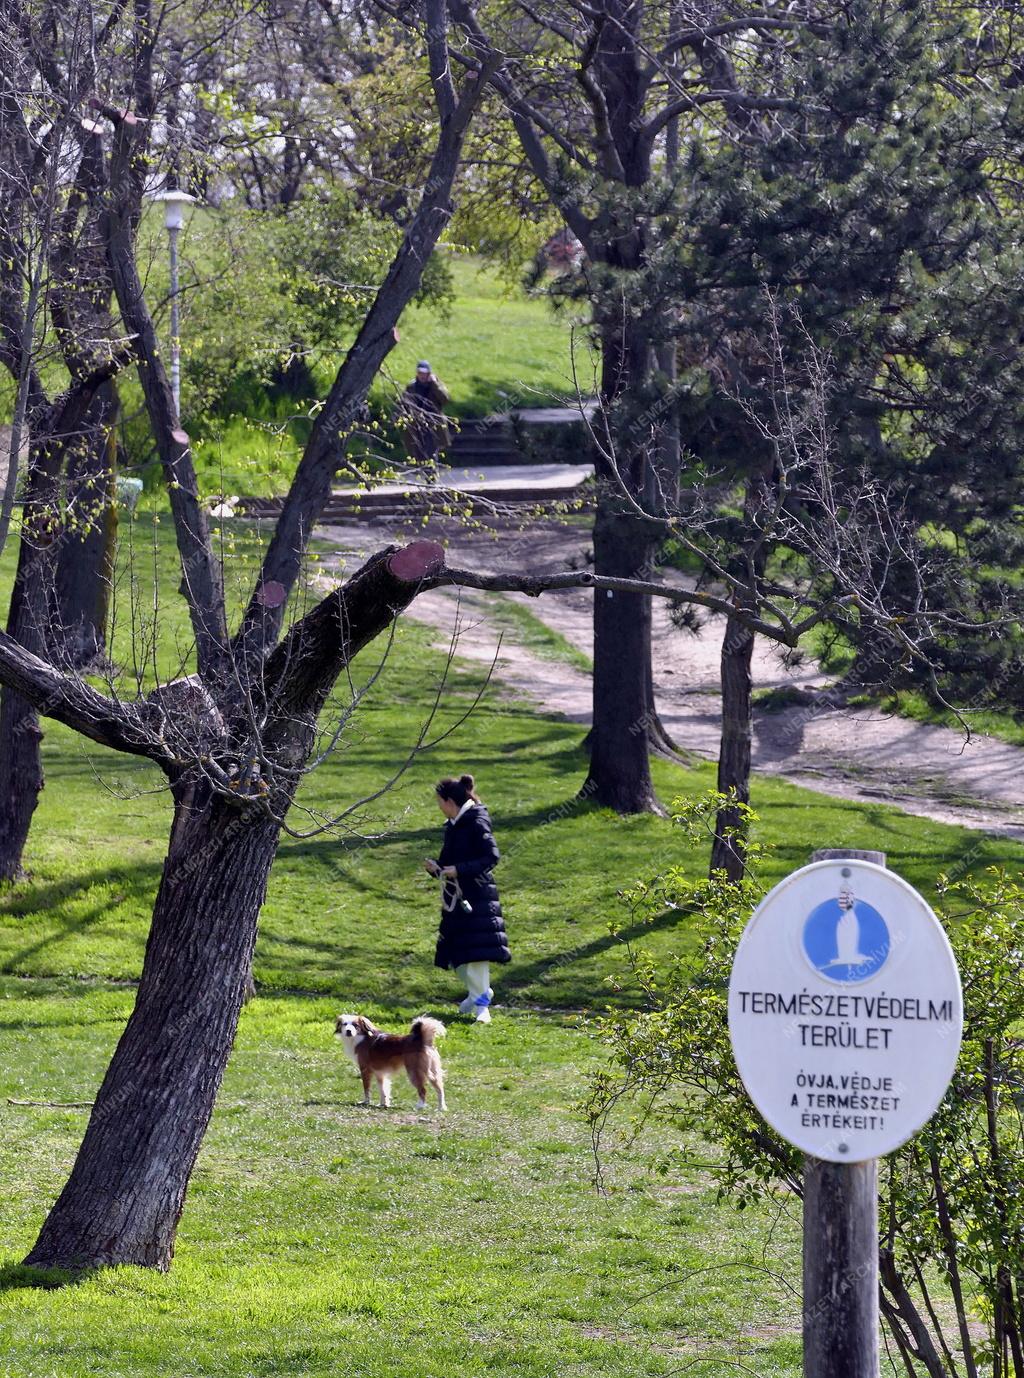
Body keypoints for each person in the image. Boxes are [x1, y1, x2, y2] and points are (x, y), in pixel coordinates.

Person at [425, 774, 509, 1023]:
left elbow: (491, 857)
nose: (439, 807)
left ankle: (483, 1006)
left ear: (449, 801)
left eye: (440, 802)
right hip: (457, 898)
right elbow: (451, 861)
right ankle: (478, 994)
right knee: (455, 952)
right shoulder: (454, 825)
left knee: (476, 955)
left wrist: (460, 870)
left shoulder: (476, 822)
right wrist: (438, 868)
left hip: (478, 898)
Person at [402, 360, 450, 463]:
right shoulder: (411, 387)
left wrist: (434, 384)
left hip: (433, 424)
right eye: (420, 373)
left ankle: (431, 475)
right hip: (417, 423)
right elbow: (405, 403)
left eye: (424, 373)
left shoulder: (437, 385)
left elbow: (445, 399)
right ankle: (424, 473)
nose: (422, 375)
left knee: (432, 451)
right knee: (417, 452)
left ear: (429, 373)